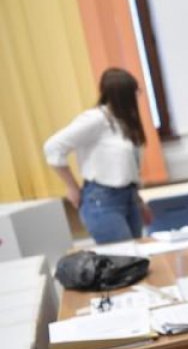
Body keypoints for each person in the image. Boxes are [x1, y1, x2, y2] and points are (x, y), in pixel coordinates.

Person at [44, 68, 153, 244]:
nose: (136, 98)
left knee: (139, 259)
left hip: (129, 197)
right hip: (102, 200)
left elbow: (127, 168)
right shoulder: (95, 119)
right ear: (121, 95)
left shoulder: (124, 121)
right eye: (133, 93)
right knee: (126, 260)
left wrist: (139, 201)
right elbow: (53, 147)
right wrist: (72, 187)